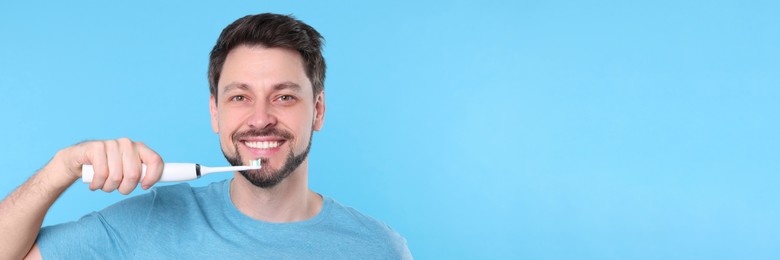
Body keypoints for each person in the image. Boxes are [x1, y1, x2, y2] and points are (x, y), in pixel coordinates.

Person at [0, 13, 412, 259]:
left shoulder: (378, 248)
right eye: (239, 97)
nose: (260, 119)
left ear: (318, 110)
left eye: (284, 96)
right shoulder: (145, 223)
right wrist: (62, 168)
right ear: (216, 112)